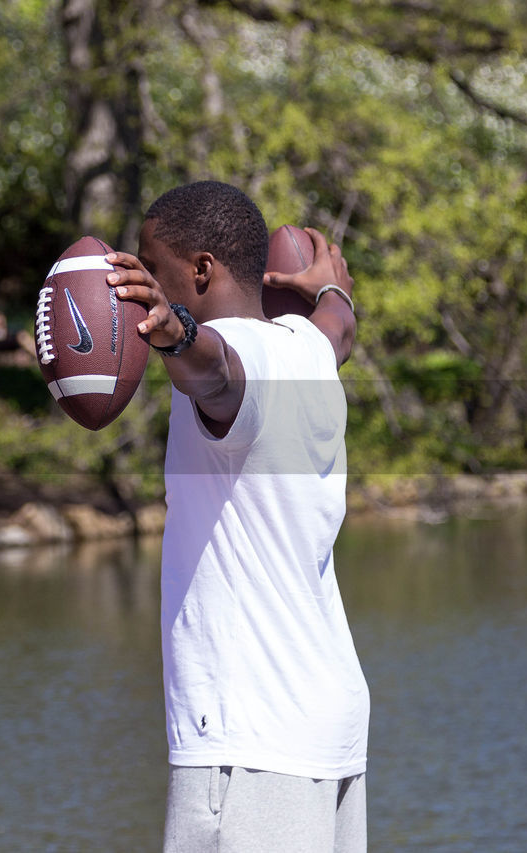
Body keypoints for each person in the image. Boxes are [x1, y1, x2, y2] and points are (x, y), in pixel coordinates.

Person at [104, 181, 368, 852]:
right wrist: (332, 286)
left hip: (250, 743)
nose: (140, 285)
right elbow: (340, 326)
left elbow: (217, 374)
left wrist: (177, 331)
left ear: (199, 271)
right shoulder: (307, 350)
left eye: (151, 268)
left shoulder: (223, 353)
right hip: (327, 731)